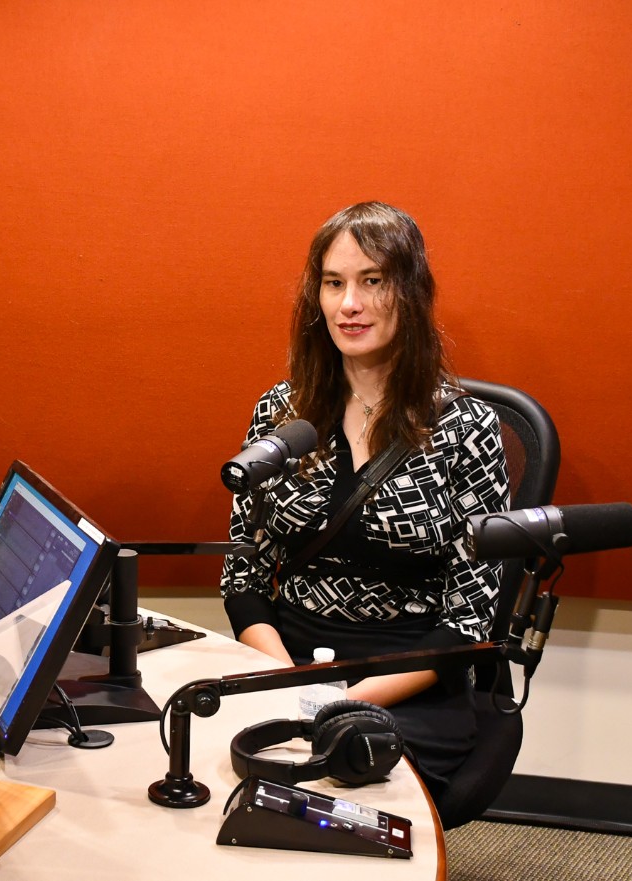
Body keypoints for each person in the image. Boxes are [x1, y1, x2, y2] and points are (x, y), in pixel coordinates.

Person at [219, 202, 509, 802]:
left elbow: (470, 619)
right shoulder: (281, 413)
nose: (348, 304)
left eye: (372, 281)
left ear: (410, 292)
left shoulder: (467, 428)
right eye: (333, 283)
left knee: (330, 789)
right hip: (288, 666)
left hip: (410, 678)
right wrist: (289, 680)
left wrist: (343, 698)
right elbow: (242, 570)